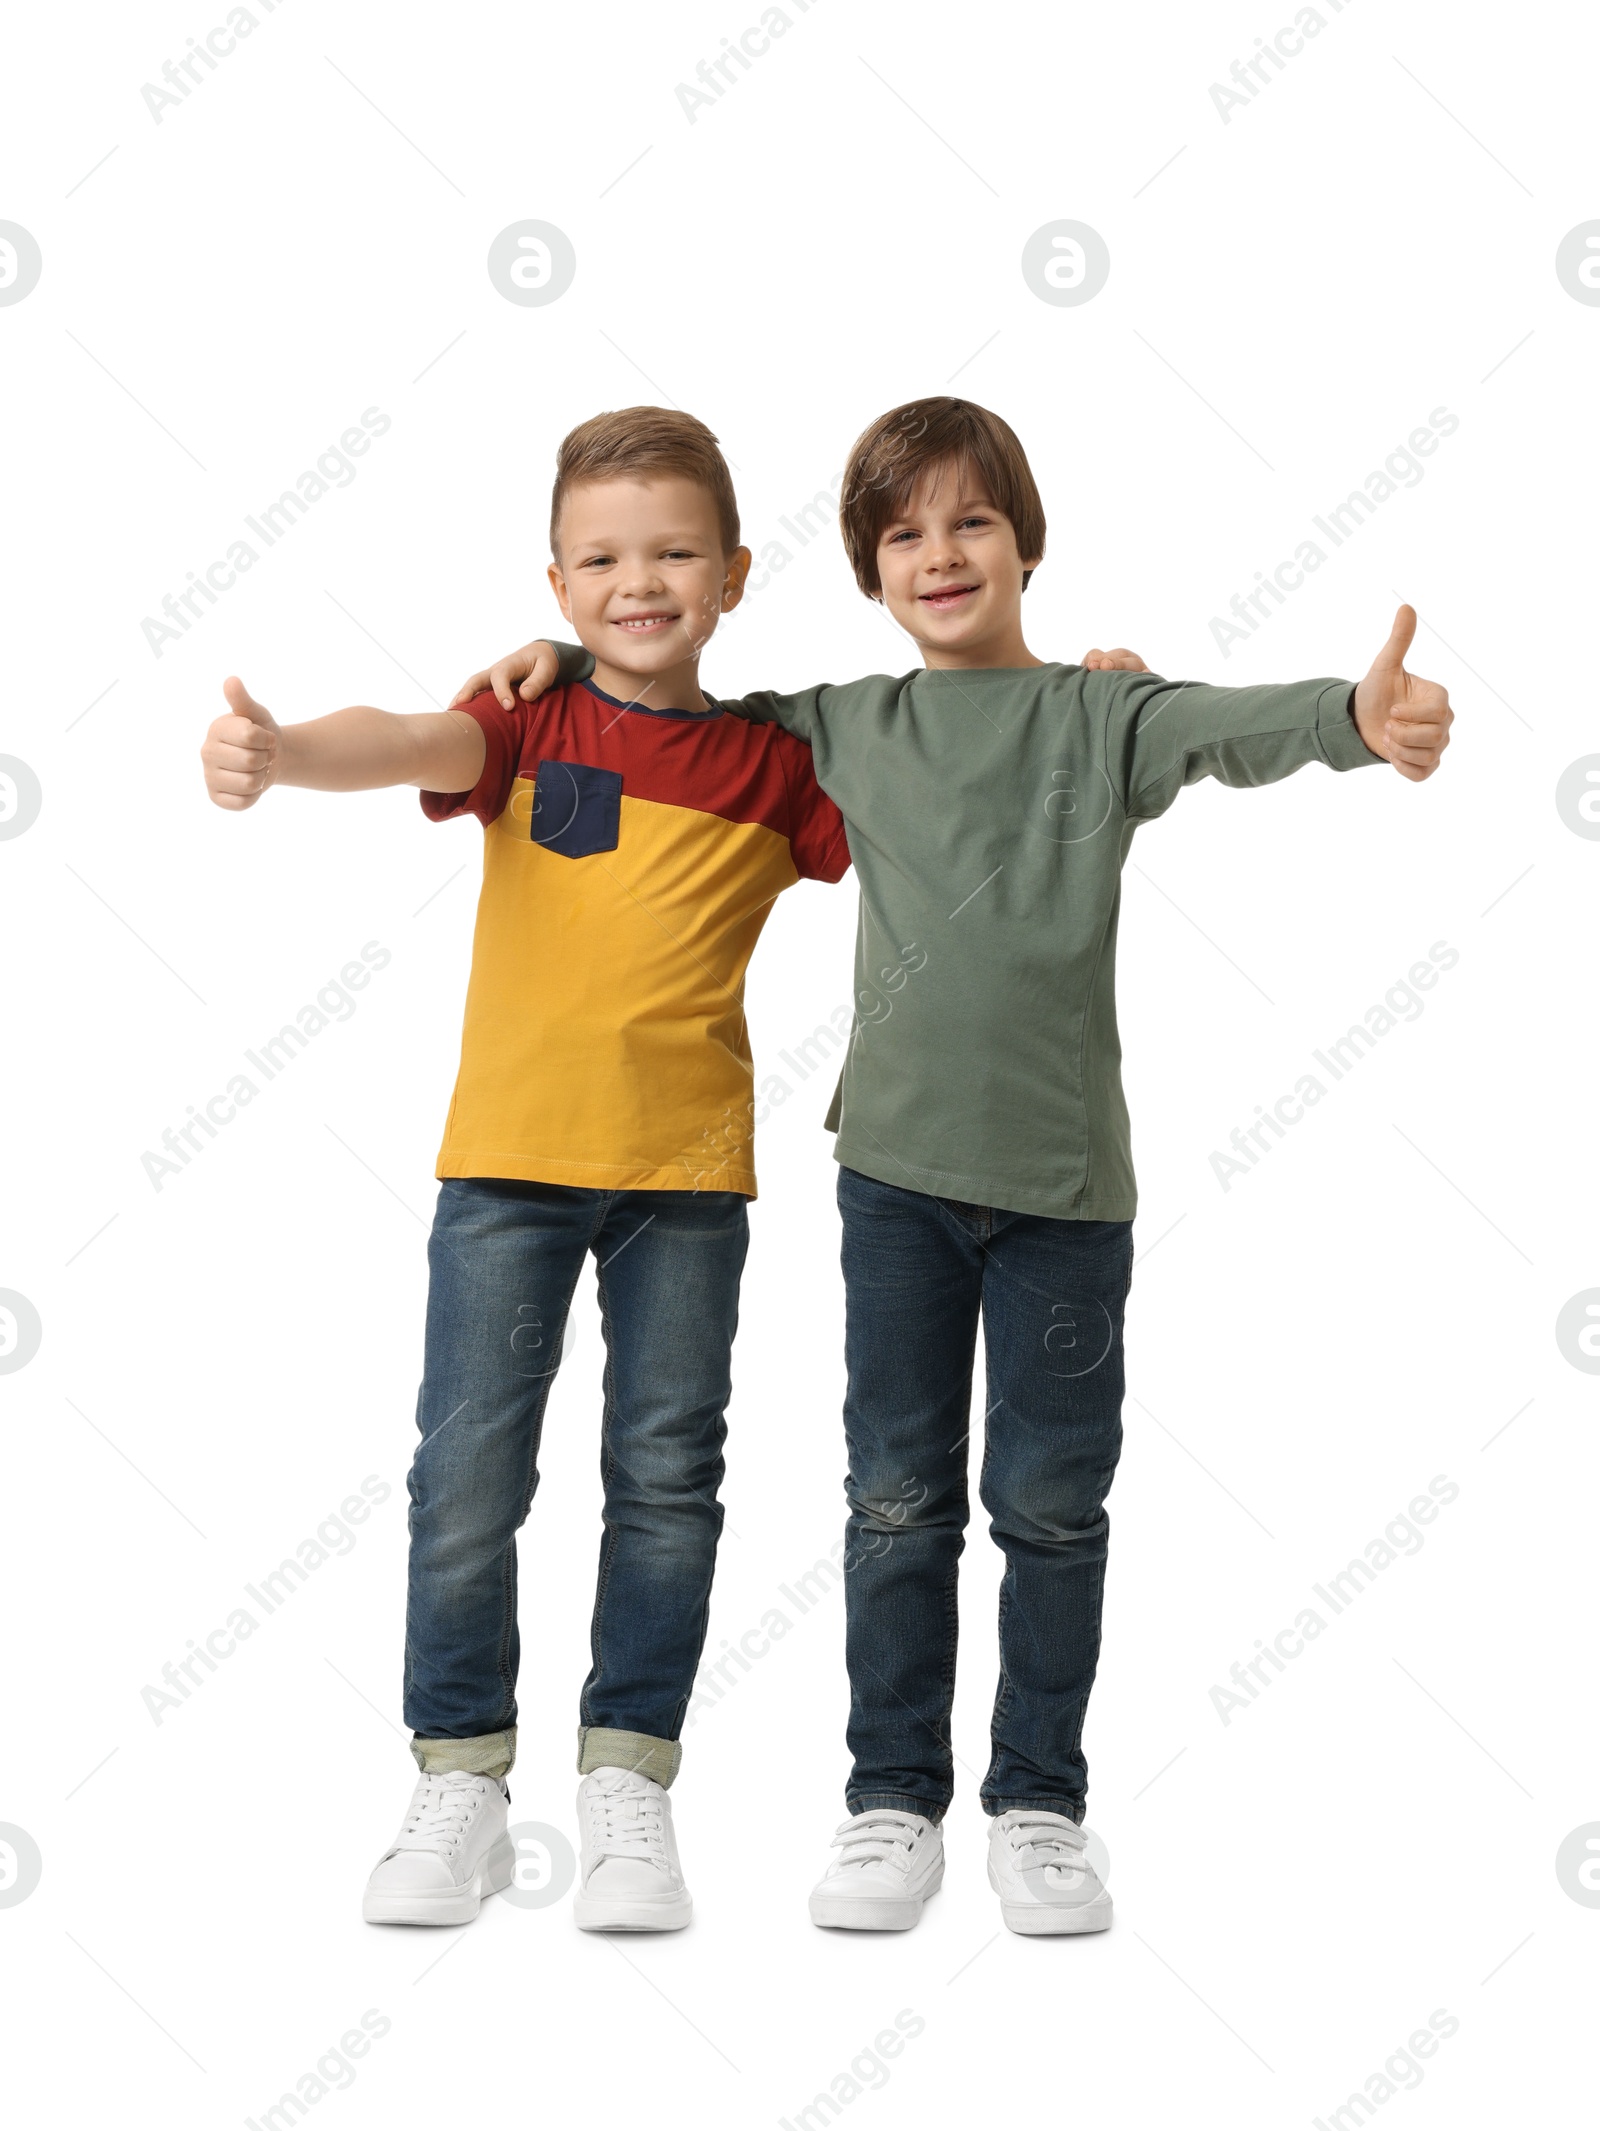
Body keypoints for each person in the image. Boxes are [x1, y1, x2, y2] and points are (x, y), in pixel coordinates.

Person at [455, 393, 1453, 1937]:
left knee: (1052, 1508)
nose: (940, 552)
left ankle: (1040, 1805)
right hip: (896, 1189)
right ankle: (890, 1801)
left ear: (1026, 544)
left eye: (971, 521)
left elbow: (1229, 727)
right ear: (866, 570)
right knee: (897, 1503)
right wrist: (561, 662)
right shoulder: (843, 723)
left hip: (1066, 1195)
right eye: (904, 532)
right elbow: (664, 701)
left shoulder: (1105, 719)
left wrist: (1354, 722)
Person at [197, 408, 857, 1932]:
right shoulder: (526, 721)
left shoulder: (777, 767)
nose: (643, 582)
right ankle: (462, 1781)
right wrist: (288, 752)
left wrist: (1080, 702)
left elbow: (935, 791)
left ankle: (628, 1779)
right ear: (556, 586)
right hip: (505, 1171)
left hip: (689, 1184)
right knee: (467, 1477)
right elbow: (406, 739)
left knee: (666, 1481)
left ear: (738, 574)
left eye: (677, 551)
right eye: (606, 559)